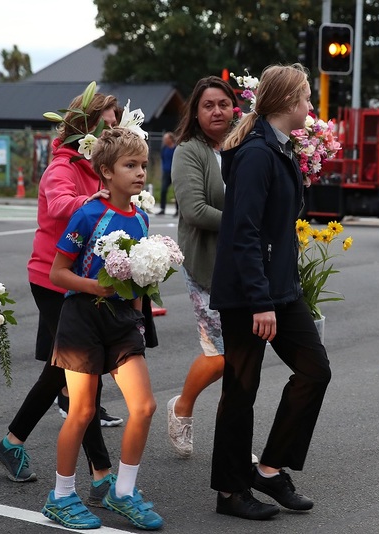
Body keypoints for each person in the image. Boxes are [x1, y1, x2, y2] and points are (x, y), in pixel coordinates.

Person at [209, 64, 332, 520]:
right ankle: (229, 492)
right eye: (305, 98)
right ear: (286, 103)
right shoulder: (258, 153)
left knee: (315, 371)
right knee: (241, 391)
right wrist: (260, 301)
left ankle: (269, 467)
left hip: (280, 289)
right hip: (250, 295)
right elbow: (243, 234)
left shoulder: (278, 148)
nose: (309, 107)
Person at [0, 90, 123, 500]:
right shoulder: (62, 166)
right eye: (109, 121)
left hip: (80, 280)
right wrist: (100, 198)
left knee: (62, 372)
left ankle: (12, 444)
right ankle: (101, 475)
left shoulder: (98, 164)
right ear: (87, 126)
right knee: (82, 373)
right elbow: (61, 206)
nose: (115, 127)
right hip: (54, 281)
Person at [41, 127, 163, 530]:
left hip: (122, 323)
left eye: (143, 165)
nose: (140, 173)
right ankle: (60, 496)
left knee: (144, 407)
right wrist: (94, 286)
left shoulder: (142, 218)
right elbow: (59, 272)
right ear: (107, 172)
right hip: (82, 320)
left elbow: (138, 283)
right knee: (83, 410)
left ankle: (123, 492)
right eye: (131, 165)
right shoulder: (90, 213)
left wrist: (140, 308)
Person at [167, 76, 236, 458]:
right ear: (196, 111)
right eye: (208, 105)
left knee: (242, 359)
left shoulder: (244, 145)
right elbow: (194, 211)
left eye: (223, 104)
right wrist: (248, 221)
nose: (216, 111)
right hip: (207, 266)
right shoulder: (188, 151)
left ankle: (233, 437)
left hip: (246, 267)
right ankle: (182, 407)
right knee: (221, 355)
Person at [158, 131, 176, 215]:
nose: (164, 140)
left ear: (170, 139)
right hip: (166, 172)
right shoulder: (164, 148)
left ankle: (178, 210)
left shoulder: (175, 148)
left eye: (166, 138)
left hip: (174, 172)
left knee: (177, 192)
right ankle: (162, 208)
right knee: (163, 190)